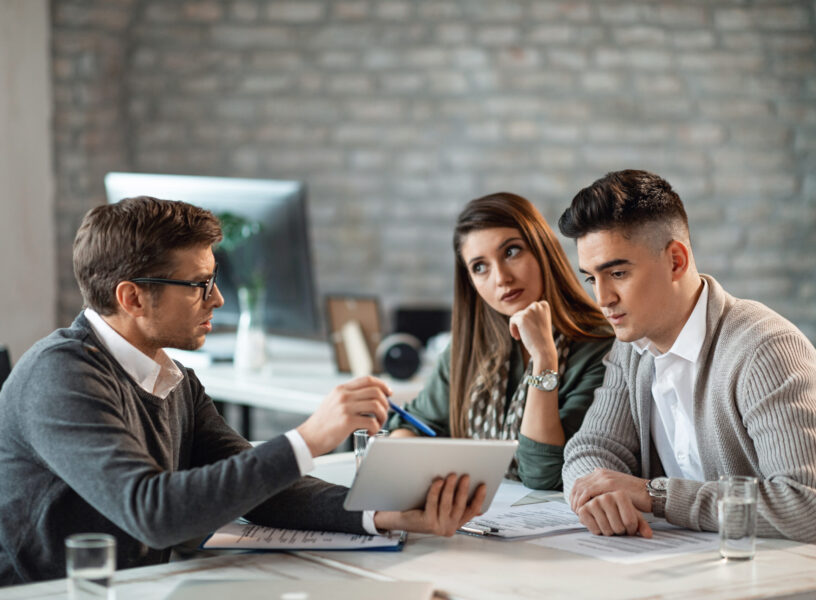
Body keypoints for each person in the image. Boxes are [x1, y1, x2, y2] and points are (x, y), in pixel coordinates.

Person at [0, 196, 486, 585]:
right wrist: (310, 437)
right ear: (131, 297)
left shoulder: (171, 377)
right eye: (200, 284)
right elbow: (153, 513)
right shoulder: (60, 376)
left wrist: (383, 513)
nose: (218, 298)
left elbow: (263, 491)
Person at [558, 169, 816, 542]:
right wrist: (597, 497)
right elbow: (592, 448)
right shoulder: (632, 347)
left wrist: (656, 496)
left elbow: (806, 504)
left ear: (676, 260)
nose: (602, 299)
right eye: (591, 278)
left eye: (617, 272)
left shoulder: (765, 349)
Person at [388, 192, 614, 490]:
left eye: (511, 252)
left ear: (542, 250)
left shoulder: (602, 347)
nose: (501, 278)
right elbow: (411, 425)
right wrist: (400, 453)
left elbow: (542, 473)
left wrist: (544, 359)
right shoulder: (467, 349)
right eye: (480, 267)